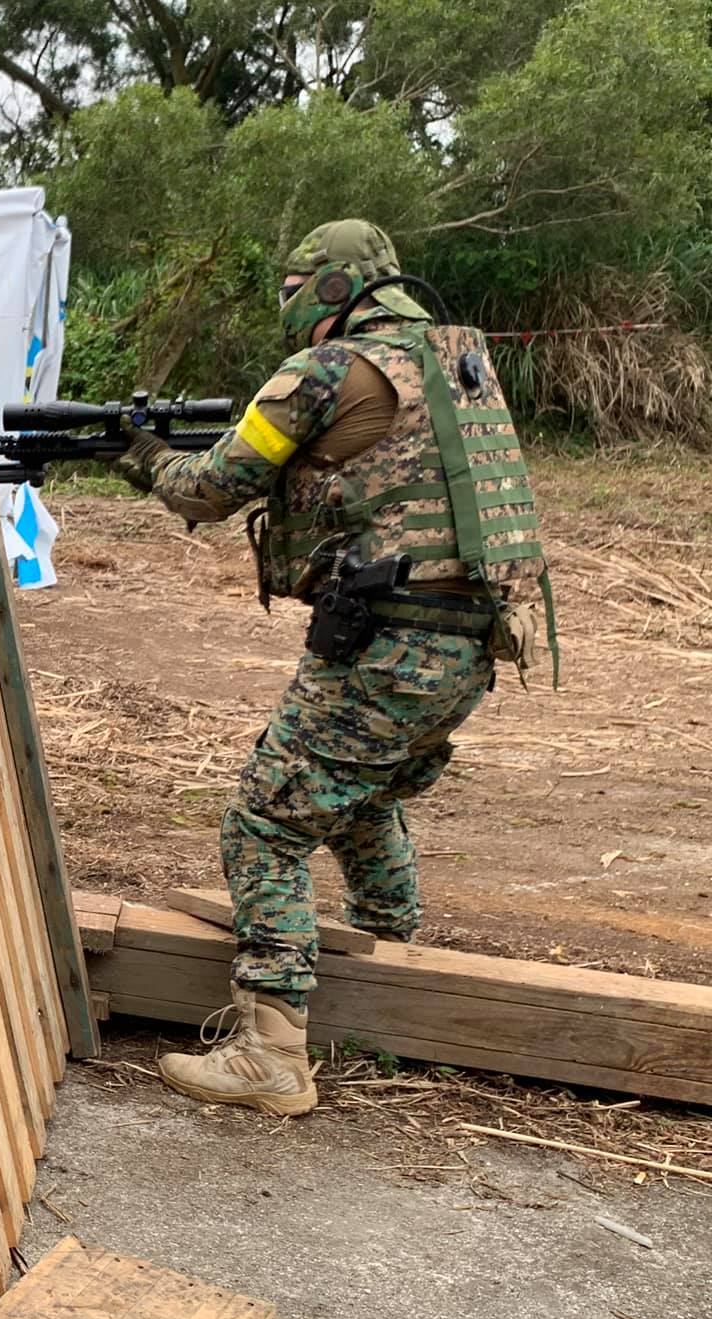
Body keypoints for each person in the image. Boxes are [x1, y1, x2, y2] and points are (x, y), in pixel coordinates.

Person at [117, 219, 556, 1117]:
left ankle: (271, 1055)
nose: (287, 306)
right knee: (360, 798)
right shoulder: (458, 361)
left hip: (388, 645)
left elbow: (209, 488)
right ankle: (389, 956)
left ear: (331, 289)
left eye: (294, 289)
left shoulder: (328, 370)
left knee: (264, 825)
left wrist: (145, 454)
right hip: (471, 643)